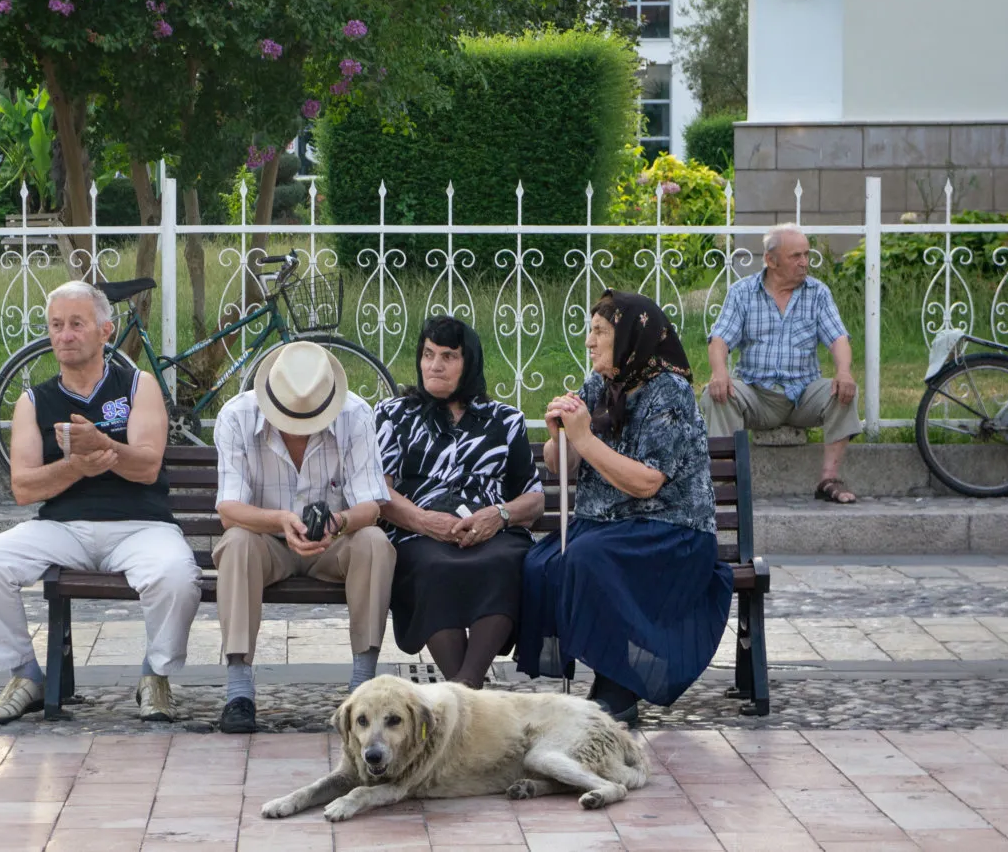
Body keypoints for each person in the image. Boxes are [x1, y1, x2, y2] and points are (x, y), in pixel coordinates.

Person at [0, 281, 202, 725]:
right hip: (62, 529)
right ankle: (25, 675)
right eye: (57, 325)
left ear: (104, 331)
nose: (65, 335)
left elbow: (148, 467)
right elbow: (24, 488)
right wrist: (77, 466)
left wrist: (102, 444)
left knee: (176, 575)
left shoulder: (138, 386)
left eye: (77, 324)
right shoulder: (33, 400)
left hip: (141, 525)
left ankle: (156, 675)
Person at [517, 290, 732, 727]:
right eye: (589, 331)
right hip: (606, 526)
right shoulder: (601, 384)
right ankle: (609, 678)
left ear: (632, 336)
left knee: (588, 560)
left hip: (669, 529)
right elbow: (565, 466)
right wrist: (558, 435)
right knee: (540, 563)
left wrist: (584, 438)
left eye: (600, 332)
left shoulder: (667, 390)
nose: (589, 342)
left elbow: (647, 482)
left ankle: (616, 688)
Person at [212, 340, 395, 734]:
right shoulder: (236, 416)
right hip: (267, 542)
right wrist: (280, 521)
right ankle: (238, 691)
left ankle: (362, 681)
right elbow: (229, 510)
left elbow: (372, 507)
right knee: (237, 544)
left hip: (335, 545)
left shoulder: (357, 415)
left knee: (376, 543)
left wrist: (338, 523)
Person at [373, 316, 544, 688]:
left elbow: (533, 498)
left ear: (470, 363)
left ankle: (464, 690)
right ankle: (469, 689)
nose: (435, 365)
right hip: (420, 535)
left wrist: (498, 516)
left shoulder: (505, 420)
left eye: (449, 356)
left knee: (506, 561)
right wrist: (423, 521)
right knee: (434, 567)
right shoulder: (394, 415)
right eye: (428, 354)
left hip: (491, 532)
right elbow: (379, 492)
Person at [700, 223, 862, 503]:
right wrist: (719, 373)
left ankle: (828, 479)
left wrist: (844, 372)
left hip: (804, 394)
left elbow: (838, 338)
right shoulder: (742, 292)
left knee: (846, 391)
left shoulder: (817, 293)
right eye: (796, 256)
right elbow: (719, 340)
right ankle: (724, 480)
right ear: (771, 260)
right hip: (756, 393)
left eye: (806, 255)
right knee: (716, 394)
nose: (804, 263)